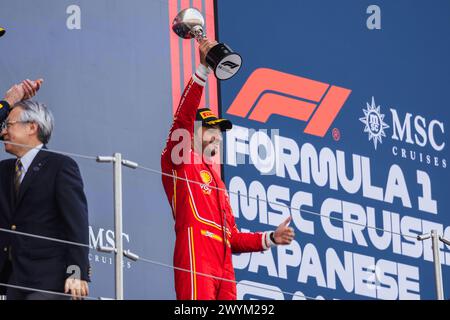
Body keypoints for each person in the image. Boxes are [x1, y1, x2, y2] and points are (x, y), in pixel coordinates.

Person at [161, 38, 295, 300]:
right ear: (195, 133)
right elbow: (184, 117)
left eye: (219, 133)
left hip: (224, 269)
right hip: (195, 257)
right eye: (212, 130)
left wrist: (270, 238)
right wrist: (203, 70)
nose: (217, 138)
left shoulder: (219, 183)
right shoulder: (178, 160)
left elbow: (232, 238)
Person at [0, 98, 90, 300]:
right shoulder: (3, 171)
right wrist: (5, 104)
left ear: (32, 127)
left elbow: (76, 225)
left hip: (48, 282)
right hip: (10, 282)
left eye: (9, 125)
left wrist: (77, 272)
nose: (3, 132)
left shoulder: (60, 166)